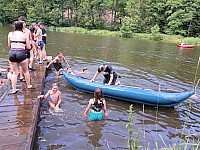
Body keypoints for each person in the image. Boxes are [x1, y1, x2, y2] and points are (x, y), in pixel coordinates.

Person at [8, 21, 32, 94]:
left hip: (12, 53)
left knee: (15, 73)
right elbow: (28, 47)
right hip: (21, 53)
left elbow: (9, 46)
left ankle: (14, 89)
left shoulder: (10, 34)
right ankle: (28, 85)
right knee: (26, 71)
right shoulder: (25, 34)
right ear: (22, 26)